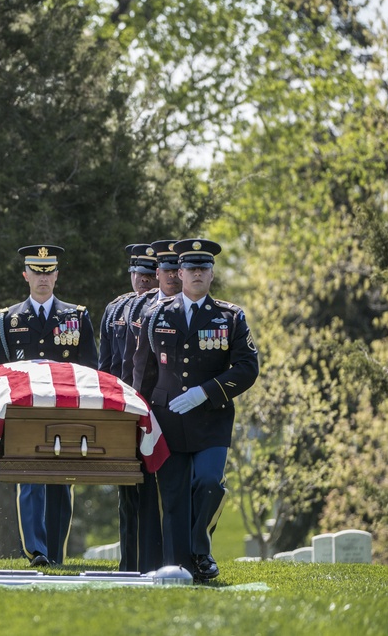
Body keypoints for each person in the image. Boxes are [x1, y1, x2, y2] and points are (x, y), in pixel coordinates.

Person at [132, 238, 259, 581]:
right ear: (180, 273)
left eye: (203, 268)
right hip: (167, 418)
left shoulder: (229, 317)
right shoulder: (156, 313)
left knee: (208, 483)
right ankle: (180, 568)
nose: (196, 274)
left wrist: (206, 392)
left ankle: (200, 551)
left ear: (211, 274)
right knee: (173, 496)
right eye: (190, 268)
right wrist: (139, 417)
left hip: (211, 419)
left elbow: (247, 367)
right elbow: (143, 371)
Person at [0, 245, 99, 566]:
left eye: (48, 272)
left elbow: (89, 367)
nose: (42, 278)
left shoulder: (76, 316)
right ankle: (36, 550)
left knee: (61, 481)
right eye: (36, 272)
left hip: (66, 411)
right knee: (29, 480)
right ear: (26, 275)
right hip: (25, 414)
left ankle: (56, 550)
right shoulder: (8, 319)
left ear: (56, 275)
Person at [116, 240, 180, 573]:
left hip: (182, 415)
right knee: (138, 495)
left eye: (175, 270)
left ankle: (179, 560)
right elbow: (130, 364)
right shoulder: (140, 308)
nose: (170, 277)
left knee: (178, 492)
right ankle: (141, 564)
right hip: (147, 411)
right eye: (165, 271)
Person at [98, 244, 158, 377]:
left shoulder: (166, 310)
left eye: (151, 275)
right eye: (140, 273)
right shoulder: (115, 309)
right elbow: (105, 365)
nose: (144, 279)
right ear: (132, 274)